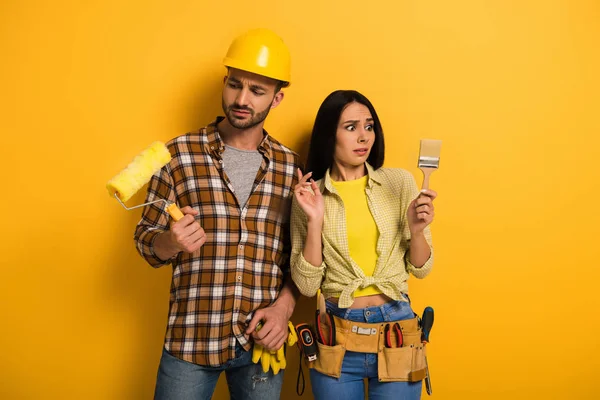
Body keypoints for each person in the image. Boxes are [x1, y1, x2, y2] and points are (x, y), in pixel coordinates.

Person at [134, 28, 300, 399]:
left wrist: (284, 309)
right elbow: (145, 242)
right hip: (190, 344)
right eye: (235, 85)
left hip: (261, 346)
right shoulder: (177, 155)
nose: (242, 99)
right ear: (225, 82)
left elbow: (300, 259)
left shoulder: (291, 168)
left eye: (257, 91)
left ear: (276, 98)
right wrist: (169, 242)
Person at [290, 90, 437, 399]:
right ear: (330, 135)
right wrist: (315, 221)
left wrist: (418, 230)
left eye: (369, 127)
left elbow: (421, 269)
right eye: (351, 127)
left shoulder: (399, 182)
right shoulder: (309, 194)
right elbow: (306, 285)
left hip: (397, 328)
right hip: (337, 334)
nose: (363, 137)